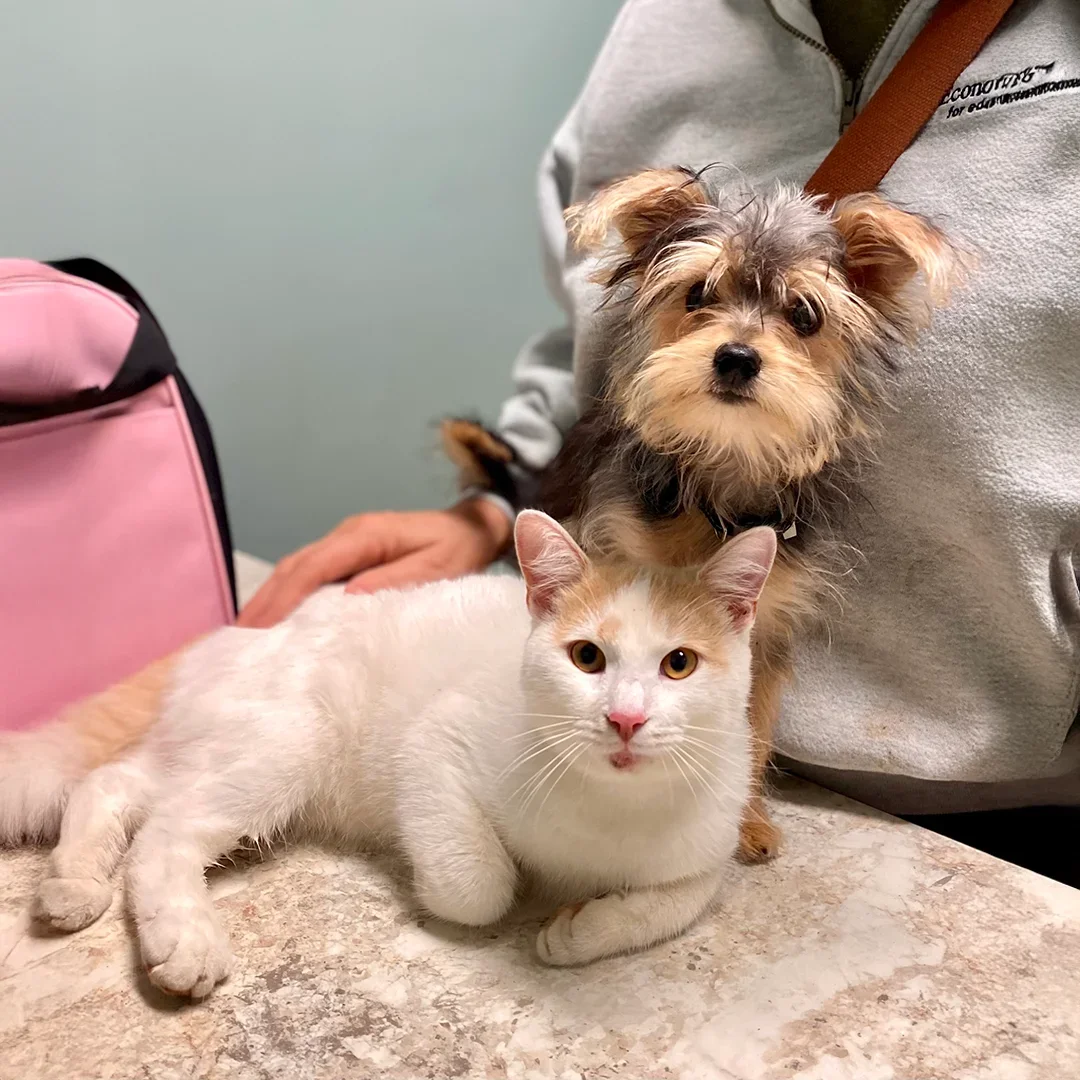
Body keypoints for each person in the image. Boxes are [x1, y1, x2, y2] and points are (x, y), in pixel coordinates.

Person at [239, 0, 1080, 881]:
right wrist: (497, 504)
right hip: (604, 774)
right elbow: (587, 350)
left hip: (1012, 814)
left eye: (800, 317)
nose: (739, 345)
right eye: (700, 299)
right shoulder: (657, 22)